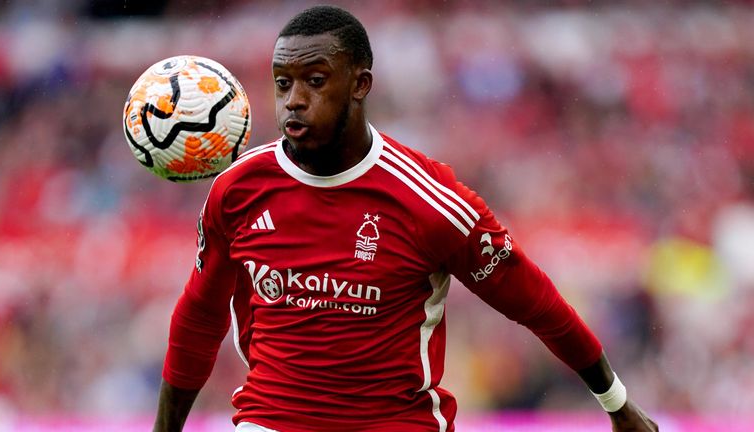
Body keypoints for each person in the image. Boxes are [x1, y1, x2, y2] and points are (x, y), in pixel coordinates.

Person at [153, 5, 658, 432]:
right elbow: (199, 316)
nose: (294, 101)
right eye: (283, 83)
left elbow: (535, 302)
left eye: (315, 81)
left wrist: (616, 402)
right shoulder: (238, 190)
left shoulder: (430, 201)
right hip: (272, 420)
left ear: (360, 84)